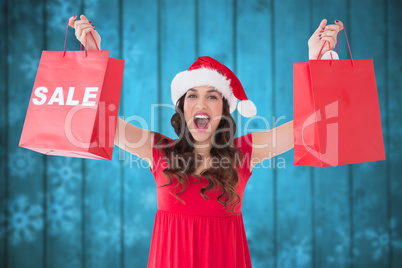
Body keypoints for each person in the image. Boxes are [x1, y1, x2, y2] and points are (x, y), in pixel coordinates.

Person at [68, 14, 344, 268]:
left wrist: (317, 62)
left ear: (224, 110)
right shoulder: (159, 150)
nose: (201, 103)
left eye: (212, 96)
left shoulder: (244, 151)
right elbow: (100, 121)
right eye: (192, 96)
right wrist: (94, 58)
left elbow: (311, 128)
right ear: (182, 108)